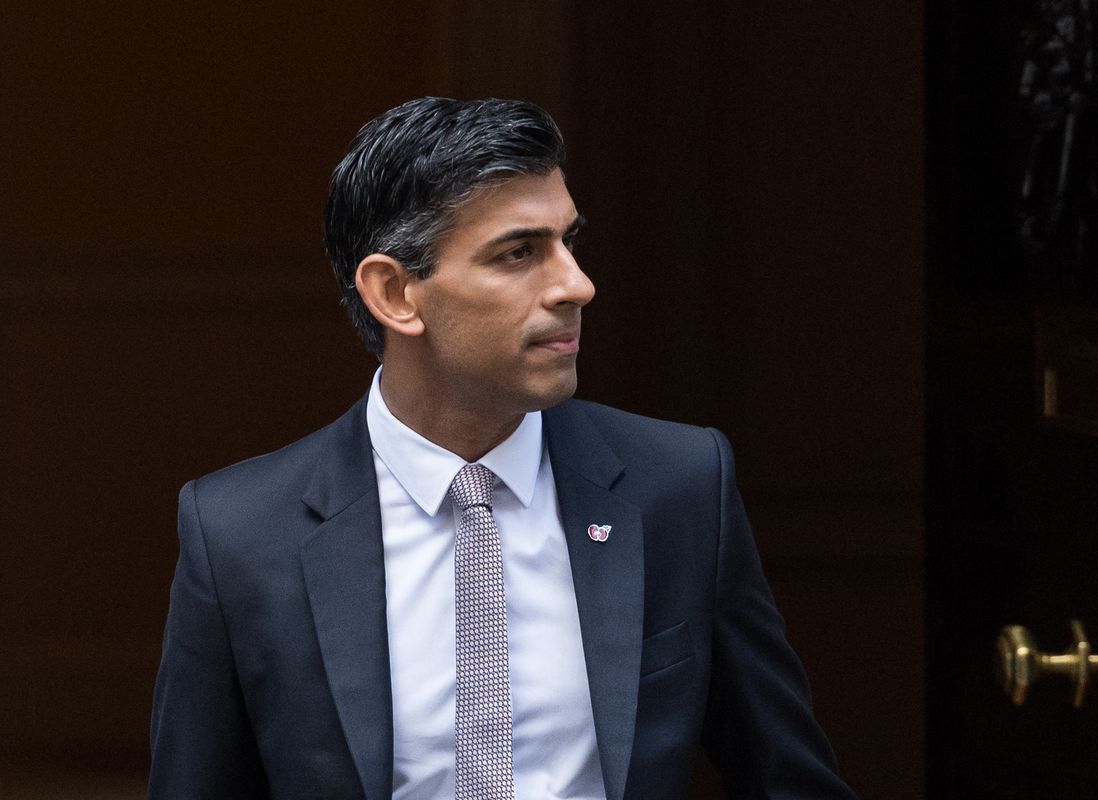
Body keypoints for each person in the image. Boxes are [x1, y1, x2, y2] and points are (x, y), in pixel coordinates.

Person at [148, 97, 857, 800]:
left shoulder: (678, 487)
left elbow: (788, 780)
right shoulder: (240, 532)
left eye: (568, 242)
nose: (576, 284)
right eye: (519, 253)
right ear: (395, 293)